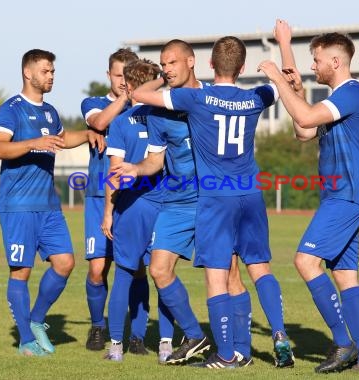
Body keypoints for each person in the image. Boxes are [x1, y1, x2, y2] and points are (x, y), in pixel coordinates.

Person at [113, 39, 294, 368]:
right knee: (158, 268)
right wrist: (135, 169)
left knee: (229, 276)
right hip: (181, 201)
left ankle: (240, 352)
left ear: (195, 62)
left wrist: (150, 82)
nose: (167, 69)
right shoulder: (160, 111)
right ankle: (197, 335)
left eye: (172, 63)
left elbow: (135, 94)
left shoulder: (201, 97)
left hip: (212, 199)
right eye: (162, 64)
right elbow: (155, 161)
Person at [258, 19, 359, 372]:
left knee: (305, 261)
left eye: (317, 60)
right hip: (340, 194)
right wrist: (286, 52)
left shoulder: (353, 91)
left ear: (336, 62)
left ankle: (343, 343)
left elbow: (306, 114)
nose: (313, 66)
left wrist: (279, 79)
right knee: (345, 277)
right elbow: (303, 129)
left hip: (347, 192)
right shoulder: (337, 99)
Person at [0, 49, 105, 356]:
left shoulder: (51, 111)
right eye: (46, 71)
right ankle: (26, 341)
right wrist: (32, 144)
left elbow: (61, 138)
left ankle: (37, 320)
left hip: (49, 205)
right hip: (18, 205)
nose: (51, 76)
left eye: (53, 71)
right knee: (21, 272)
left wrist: (89, 133)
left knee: (66, 262)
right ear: (28, 73)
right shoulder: (11, 109)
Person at [80, 48, 149, 352]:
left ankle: (136, 335)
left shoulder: (147, 108)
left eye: (128, 76)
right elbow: (98, 123)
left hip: (138, 198)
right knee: (98, 269)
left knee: (137, 268)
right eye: (119, 75)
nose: (123, 81)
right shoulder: (94, 103)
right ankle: (98, 327)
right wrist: (126, 96)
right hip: (99, 197)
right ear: (108, 74)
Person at [100, 58, 163, 362]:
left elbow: (115, 173)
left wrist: (108, 212)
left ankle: (115, 348)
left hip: (130, 206)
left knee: (124, 274)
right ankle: (164, 345)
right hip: (164, 205)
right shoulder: (169, 116)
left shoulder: (121, 122)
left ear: (130, 85)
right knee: (163, 275)